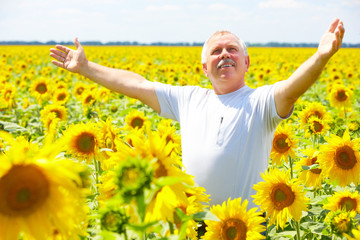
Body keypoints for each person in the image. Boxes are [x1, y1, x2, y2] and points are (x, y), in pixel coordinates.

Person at [50, 18, 345, 209]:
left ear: (246, 62)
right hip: (194, 224)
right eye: (216, 51)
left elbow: (291, 89)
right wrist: (87, 69)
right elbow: (137, 85)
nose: (225, 54)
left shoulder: (260, 102)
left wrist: (320, 57)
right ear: (205, 68)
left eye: (232, 50)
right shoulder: (189, 99)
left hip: (247, 227)